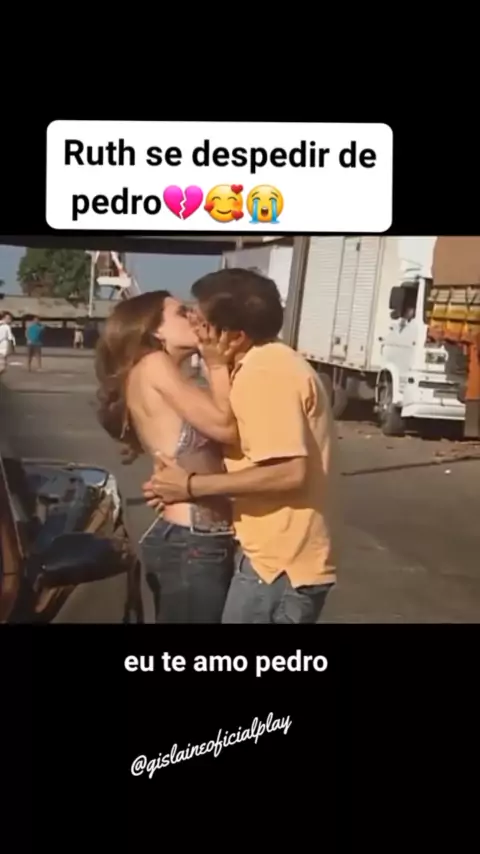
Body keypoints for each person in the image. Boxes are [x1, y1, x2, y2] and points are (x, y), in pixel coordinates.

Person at [143, 268, 340, 625]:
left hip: (277, 568)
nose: (195, 327)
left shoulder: (264, 372)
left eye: (202, 322)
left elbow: (288, 473)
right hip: (274, 561)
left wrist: (190, 486)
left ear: (234, 336)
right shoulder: (266, 362)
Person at [94, 291, 238, 624]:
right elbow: (226, 428)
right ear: (155, 330)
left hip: (192, 537)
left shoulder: (153, 371)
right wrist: (217, 364)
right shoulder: (154, 365)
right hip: (194, 539)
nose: (193, 318)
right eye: (181, 313)